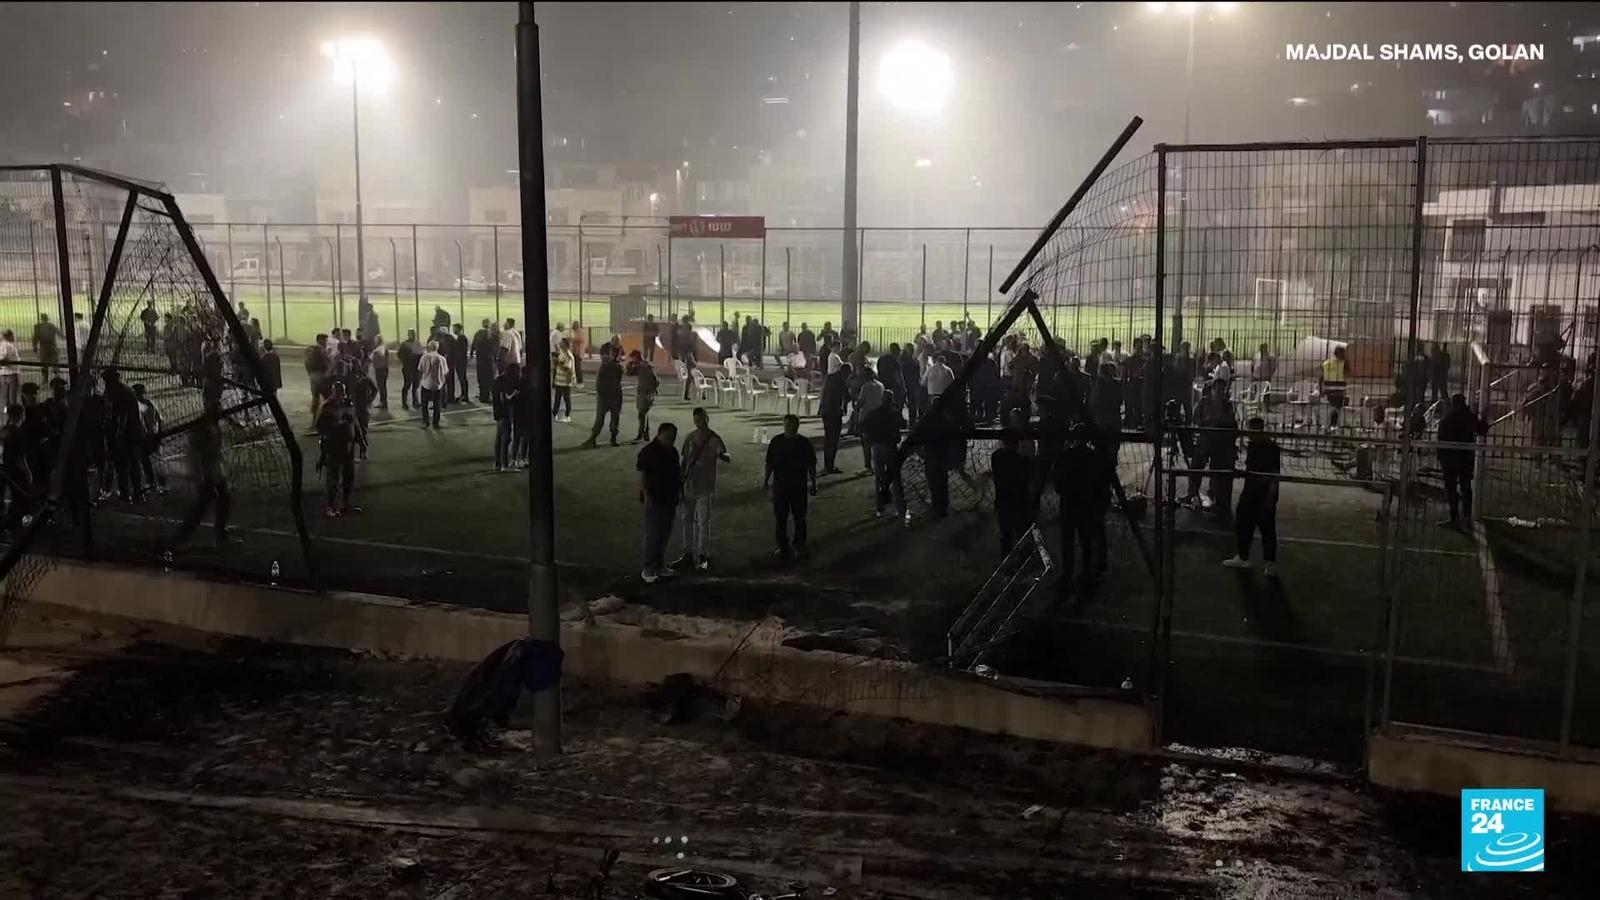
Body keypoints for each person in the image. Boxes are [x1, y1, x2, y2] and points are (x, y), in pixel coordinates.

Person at [1053, 422, 1113, 596]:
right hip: (1087, 503)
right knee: (1086, 540)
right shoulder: (1094, 457)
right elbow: (1102, 481)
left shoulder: (1064, 456)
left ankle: (1067, 575)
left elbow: (1058, 485)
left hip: (1069, 503)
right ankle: (1086, 573)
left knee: (1067, 542)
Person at [1223, 417, 1281, 576]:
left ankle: (1265, 561)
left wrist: (1271, 495)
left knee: (1265, 526)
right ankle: (1248, 557)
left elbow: (1274, 474)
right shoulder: (1257, 445)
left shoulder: (1267, 447)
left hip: (1261, 490)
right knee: (1246, 522)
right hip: (1252, 489)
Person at [169, 404, 233, 547]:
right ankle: (183, 537)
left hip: (214, 470)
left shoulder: (213, 425)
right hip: (206, 471)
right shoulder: (203, 428)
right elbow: (197, 454)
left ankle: (219, 535)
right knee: (204, 504)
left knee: (222, 499)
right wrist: (201, 475)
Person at [675, 407, 730, 572]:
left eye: (701, 419)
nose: (699, 423)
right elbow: (684, 460)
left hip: (705, 486)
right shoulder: (690, 437)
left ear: (707, 419)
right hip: (690, 484)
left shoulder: (714, 438)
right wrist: (680, 481)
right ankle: (688, 553)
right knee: (687, 520)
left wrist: (721, 456)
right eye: (697, 420)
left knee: (702, 522)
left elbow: (726, 455)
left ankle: (702, 555)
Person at [765, 413, 818, 560]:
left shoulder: (804, 443)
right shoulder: (776, 442)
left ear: (797, 426)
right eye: (787, 424)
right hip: (781, 485)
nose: (789, 427)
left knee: (799, 517)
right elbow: (769, 463)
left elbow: (811, 465)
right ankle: (782, 545)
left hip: (798, 486)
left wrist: (813, 482)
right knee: (781, 517)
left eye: (791, 425)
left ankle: (799, 544)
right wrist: (766, 480)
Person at [636, 422, 681, 583]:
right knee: (653, 534)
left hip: (669, 498)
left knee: (664, 534)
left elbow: (676, 474)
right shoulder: (648, 452)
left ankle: (659, 565)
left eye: (673, 438)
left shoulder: (672, 452)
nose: (670, 441)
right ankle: (648, 568)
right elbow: (643, 475)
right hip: (655, 499)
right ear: (659, 434)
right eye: (668, 438)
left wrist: (678, 493)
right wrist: (647, 495)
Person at [1436, 393, 1486, 528]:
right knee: (1465, 487)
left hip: (1450, 458)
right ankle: (1466, 517)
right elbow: (1481, 430)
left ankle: (1455, 517)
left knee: (1452, 488)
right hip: (1464, 457)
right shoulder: (1468, 416)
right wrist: (1483, 419)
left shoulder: (1448, 418)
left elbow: (1441, 439)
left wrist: (1440, 457)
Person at [317, 381, 361, 517]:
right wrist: (339, 425)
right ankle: (331, 506)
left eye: (342, 391)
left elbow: (355, 422)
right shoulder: (326, 407)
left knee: (349, 476)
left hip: (348, 446)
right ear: (332, 392)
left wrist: (361, 440)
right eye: (337, 391)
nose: (340, 394)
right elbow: (321, 428)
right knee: (333, 478)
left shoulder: (348, 405)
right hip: (333, 446)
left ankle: (345, 504)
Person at [861, 390, 906, 523]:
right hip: (890, 447)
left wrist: (870, 438)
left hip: (877, 446)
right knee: (895, 477)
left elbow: (863, 426)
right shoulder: (894, 413)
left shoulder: (874, 413)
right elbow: (903, 424)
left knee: (879, 476)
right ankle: (900, 507)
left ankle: (880, 506)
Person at [991, 429, 1033, 555]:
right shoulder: (1023, 461)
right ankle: (1022, 558)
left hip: (1004, 500)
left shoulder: (996, 457)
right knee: (1021, 532)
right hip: (1020, 501)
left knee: (1005, 534)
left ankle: (1006, 559)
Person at [582, 345, 625, 448]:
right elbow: (601, 381)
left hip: (609, 396)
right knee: (608, 418)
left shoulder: (608, 366)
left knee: (607, 418)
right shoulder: (615, 366)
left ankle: (598, 439)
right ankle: (604, 439)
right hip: (611, 395)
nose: (613, 355)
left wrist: (601, 392)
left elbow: (599, 381)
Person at [130, 383, 166, 496]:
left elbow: (156, 420)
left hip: (147, 436)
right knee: (150, 461)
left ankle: (157, 483)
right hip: (149, 436)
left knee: (151, 462)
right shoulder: (149, 403)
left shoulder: (141, 406)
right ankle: (155, 483)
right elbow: (160, 420)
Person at [818, 361, 848, 474]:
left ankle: (827, 465)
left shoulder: (829, 378)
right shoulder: (842, 381)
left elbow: (823, 393)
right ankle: (830, 466)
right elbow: (847, 396)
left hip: (825, 411)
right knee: (833, 440)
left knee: (828, 439)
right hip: (834, 413)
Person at [854, 365, 885, 472]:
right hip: (879, 417)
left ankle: (868, 466)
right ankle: (878, 465)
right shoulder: (881, 385)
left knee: (866, 443)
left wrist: (856, 409)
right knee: (877, 443)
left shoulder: (865, 386)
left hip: (866, 417)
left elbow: (861, 402)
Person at [493, 362, 522, 472]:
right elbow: (505, 398)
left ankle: (497, 464)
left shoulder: (498, 380)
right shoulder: (503, 382)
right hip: (504, 413)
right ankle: (504, 464)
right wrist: (515, 394)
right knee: (506, 438)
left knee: (499, 438)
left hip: (498, 412)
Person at [627, 350, 659, 442]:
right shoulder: (639, 366)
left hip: (646, 393)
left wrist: (651, 391)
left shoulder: (646, 367)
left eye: (633, 358)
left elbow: (655, 380)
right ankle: (645, 433)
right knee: (643, 414)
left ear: (637, 357)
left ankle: (641, 433)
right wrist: (629, 366)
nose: (632, 360)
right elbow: (630, 373)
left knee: (642, 413)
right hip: (641, 393)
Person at [417, 339, 450, 429]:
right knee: (437, 404)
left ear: (429, 347)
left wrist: (421, 379)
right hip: (437, 385)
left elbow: (420, 370)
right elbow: (446, 372)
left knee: (424, 404)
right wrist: (442, 381)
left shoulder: (424, 357)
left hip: (426, 383)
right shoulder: (442, 358)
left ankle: (426, 421)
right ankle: (436, 423)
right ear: (437, 348)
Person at [1320, 345, 1348, 429]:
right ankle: (1335, 423)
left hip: (1328, 392)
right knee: (1339, 407)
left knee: (1331, 407)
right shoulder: (1344, 364)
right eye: (1343, 353)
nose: (1345, 354)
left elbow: (1321, 378)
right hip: (1340, 392)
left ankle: (1331, 422)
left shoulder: (1326, 363)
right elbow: (1349, 375)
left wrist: (1321, 390)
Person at [920, 351, 954, 416]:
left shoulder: (930, 369)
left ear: (936, 361)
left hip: (932, 394)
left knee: (931, 409)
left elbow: (923, 382)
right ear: (945, 361)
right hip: (944, 394)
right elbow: (952, 382)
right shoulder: (948, 370)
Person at [472, 319, 497, 402]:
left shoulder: (478, 333)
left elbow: (473, 345)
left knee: (481, 378)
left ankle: (482, 395)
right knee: (490, 378)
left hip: (480, 359)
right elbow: (495, 347)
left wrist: (472, 353)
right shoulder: (492, 334)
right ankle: (489, 395)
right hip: (489, 359)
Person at [551, 337, 575, 423]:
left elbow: (566, 368)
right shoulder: (561, 353)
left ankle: (567, 416)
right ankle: (554, 414)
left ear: (565, 344)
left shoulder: (568, 355)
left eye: (561, 342)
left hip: (565, 382)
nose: (559, 343)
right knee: (557, 398)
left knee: (566, 399)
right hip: (559, 381)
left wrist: (557, 363)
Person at [32, 314, 61, 383]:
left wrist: (35, 348)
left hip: (43, 348)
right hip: (52, 347)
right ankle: (57, 378)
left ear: (41, 319)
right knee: (55, 363)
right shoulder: (52, 326)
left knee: (44, 365)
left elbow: (35, 339)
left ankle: (45, 380)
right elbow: (59, 334)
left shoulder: (38, 327)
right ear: (47, 319)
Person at [398, 329, 423, 411]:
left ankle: (415, 401)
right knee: (407, 385)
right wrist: (405, 361)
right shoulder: (405, 344)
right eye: (411, 334)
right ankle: (404, 402)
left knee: (416, 385)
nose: (413, 335)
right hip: (408, 368)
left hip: (416, 368)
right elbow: (399, 354)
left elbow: (421, 355)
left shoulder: (417, 344)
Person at [899, 344, 921, 426]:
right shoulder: (904, 360)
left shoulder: (914, 360)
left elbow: (917, 373)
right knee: (902, 403)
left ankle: (912, 421)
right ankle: (903, 421)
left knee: (912, 404)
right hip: (906, 383)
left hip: (911, 384)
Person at [450, 323, 471, 401]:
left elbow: (463, 350)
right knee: (461, 378)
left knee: (462, 378)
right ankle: (463, 394)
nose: (453, 330)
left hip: (461, 361)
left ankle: (465, 395)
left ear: (458, 329)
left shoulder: (462, 338)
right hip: (460, 361)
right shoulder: (460, 338)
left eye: (454, 328)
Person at [0, 330, 20, 410]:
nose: (14, 337)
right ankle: (12, 410)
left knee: (6, 393)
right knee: (12, 394)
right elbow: (3, 358)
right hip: (10, 373)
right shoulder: (7, 345)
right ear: (9, 336)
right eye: (12, 336)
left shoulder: (2, 345)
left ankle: (7, 409)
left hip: (4, 373)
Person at [369, 336, 389, 409]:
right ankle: (383, 402)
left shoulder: (378, 350)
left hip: (380, 370)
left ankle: (383, 402)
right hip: (384, 369)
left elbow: (371, 358)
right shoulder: (384, 348)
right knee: (383, 386)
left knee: (381, 386)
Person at [570, 320, 587, 385]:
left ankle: (580, 381)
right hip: (575, 352)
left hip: (578, 352)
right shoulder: (575, 332)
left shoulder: (580, 331)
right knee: (574, 367)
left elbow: (579, 339)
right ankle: (576, 380)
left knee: (577, 367)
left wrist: (572, 339)